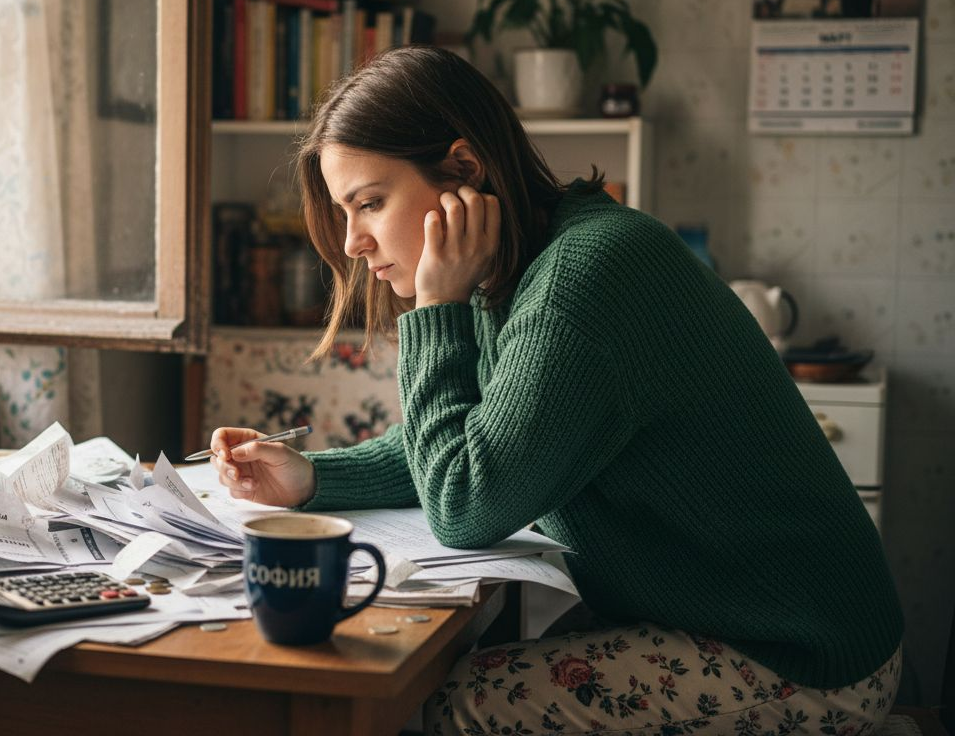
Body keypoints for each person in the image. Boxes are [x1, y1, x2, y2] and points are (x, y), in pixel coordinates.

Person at [208, 45, 904, 735]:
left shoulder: (583, 283)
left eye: (370, 202)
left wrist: (433, 310)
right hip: (725, 620)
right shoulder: (526, 265)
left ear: (463, 170)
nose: (353, 241)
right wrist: (310, 478)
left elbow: (465, 504)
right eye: (344, 211)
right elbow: (479, 438)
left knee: (463, 701)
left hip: (806, 657)